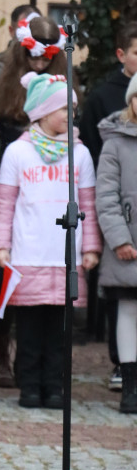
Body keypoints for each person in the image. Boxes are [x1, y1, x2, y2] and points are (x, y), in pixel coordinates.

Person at [0, 72, 101, 408]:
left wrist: (91, 246)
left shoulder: (79, 155)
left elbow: (88, 205)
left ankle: (55, 387)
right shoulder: (17, 153)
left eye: (72, 109)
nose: (69, 116)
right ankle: (30, 387)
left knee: (59, 330)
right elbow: (4, 203)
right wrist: (0, 245)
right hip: (28, 253)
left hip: (64, 256)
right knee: (29, 328)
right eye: (62, 109)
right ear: (41, 111)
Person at [0, 12, 79, 389]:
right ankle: (0, 354)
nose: (39, 63)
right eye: (32, 58)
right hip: (12, 182)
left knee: (48, 288)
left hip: (52, 187)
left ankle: (38, 363)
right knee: (5, 280)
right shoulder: (0, 82)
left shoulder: (63, 85)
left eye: (46, 58)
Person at [79, 21, 137, 392]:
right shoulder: (104, 98)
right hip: (122, 224)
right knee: (125, 304)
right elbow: (103, 179)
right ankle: (124, 367)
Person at [96, 73, 137, 413]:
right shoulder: (115, 143)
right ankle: (129, 382)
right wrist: (120, 238)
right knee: (127, 310)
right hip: (127, 244)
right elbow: (106, 196)